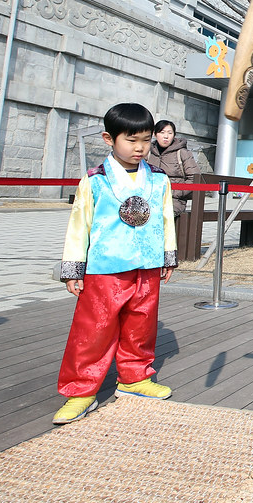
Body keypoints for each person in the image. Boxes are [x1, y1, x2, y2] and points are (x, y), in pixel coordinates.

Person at [53, 103, 178, 424]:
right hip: (106, 267)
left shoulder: (159, 180)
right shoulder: (95, 181)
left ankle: (135, 377)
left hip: (147, 265)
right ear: (109, 139)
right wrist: (73, 268)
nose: (140, 148)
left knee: (142, 324)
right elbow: (79, 225)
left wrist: (168, 255)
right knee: (93, 330)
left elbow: (166, 219)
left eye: (146, 140)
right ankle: (80, 390)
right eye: (131, 140)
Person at [147, 120, 201, 217]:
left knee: (160, 216)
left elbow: (194, 178)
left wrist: (175, 192)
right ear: (155, 134)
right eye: (162, 132)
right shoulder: (148, 152)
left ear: (174, 135)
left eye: (170, 133)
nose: (166, 136)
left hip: (174, 200)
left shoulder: (182, 153)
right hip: (149, 197)